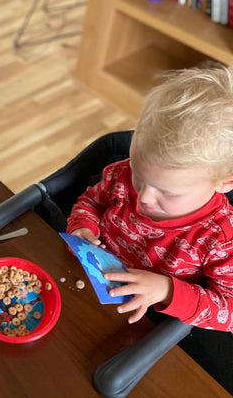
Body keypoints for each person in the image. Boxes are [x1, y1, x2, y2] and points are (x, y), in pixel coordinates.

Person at [66, 67, 233, 332]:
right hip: (83, 278)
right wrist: (82, 227)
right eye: (139, 176)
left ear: (226, 182)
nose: (143, 197)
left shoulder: (220, 239)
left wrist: (167, 291)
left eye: (168, 193)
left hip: (142, 317)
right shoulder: (122, 173)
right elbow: (93, 201)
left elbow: (229, 311)